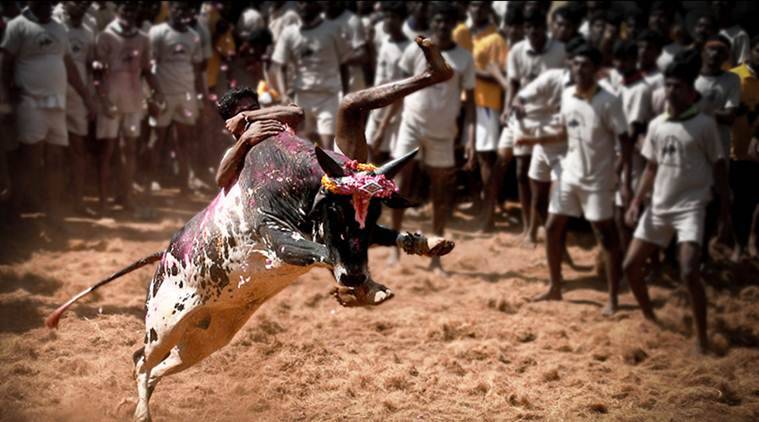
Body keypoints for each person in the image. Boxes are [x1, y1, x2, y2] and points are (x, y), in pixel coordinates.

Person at [623, 49, 732, 354]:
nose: (670, 91)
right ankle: (650, 317)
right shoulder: (657, 124)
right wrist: (635, 202)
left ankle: (701, 338)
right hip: (658, 205)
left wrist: (725, 213)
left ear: (690, 90)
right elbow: (651, 168)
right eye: (667, 85)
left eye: (677, 86)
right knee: (630, 267)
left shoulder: (704, 124)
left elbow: (720, 169)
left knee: (687, 271)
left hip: (691, 208)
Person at [520, 44, 629, 316]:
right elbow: (563, 133)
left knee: (606, 237)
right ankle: (555, 286)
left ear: (597, 70)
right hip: (570, 174)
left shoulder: (610, 101)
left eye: (586, 65)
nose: (579, 70)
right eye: (576, 64)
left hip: (599, 180)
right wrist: (534, 140)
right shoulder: (568, 95)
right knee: (553, 227)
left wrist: (619, 175)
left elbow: (625, 142)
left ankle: (613, 298)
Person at [388, 2, 475, 275]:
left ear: (453, 25)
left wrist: (471, 137)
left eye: (446, 22)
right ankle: (395, 249)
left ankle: (436, 256)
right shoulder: (417, 51)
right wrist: (383, 124)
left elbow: (470, 104)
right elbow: (398, 89)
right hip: (411, 125)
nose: (441, 26)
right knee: (399, 187)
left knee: (440, 194)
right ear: (431, 22)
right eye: (436, 21)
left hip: (443, 132)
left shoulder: (464, 58)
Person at [1, 1, 94, 224]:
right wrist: (8, 89)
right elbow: (6, 61)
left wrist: (85, 96)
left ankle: (53, 212)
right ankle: (18, 212)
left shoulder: (58, 28)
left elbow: (69, 65)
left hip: (57, 104)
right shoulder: (18, 25)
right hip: (30, 102)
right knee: (31, 159)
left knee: (55, 159)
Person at [500, 7, 565, 240]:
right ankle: (528, 226)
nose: (533, 32)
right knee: (520, 171)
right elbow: (513, 84)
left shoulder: (560, 51)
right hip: (523, 115)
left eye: (537, 27)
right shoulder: (517, 50)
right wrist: (507, 108)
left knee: (541, 177)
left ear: (544, 28)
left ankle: (545, 225)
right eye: (528, 28)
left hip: (549, 118)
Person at [95, 1, 161, 213]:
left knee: (130, 149)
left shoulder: (143, 38)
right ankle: (104, 201)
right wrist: (103, 99)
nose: (128, 15)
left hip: (133, 99)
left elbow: (147, 70)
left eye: (132, 11)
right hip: (111, 98)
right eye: (125, 10)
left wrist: (158, 92)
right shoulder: (106, 36)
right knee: (107, 149)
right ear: (117, 12)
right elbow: (97, 73)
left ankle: (126, 197)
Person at [453, 1, 507, 232]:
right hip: (460, 101)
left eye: (481, 5)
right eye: (472, 5)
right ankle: (477, 204)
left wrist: (471, 71)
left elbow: (503, 77)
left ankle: (489, 214)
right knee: (464, 158)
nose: (476, 9)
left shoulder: (496, 39)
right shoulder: (460, 32)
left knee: (485, 158)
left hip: (486, 103)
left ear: (488, 9)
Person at [270, 1, 349, 150]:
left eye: (307, 3)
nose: (303, 7)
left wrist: (345, 93)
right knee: (307, 145)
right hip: (302, 97)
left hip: (329, 96)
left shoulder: (333, 29)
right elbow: (280, 66)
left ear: (318, 6)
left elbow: (344, 64)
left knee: (327, 148)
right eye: (300, 3)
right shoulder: (289, 33)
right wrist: (283, 94)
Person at [149, 1, 204, 193]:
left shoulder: (194, 36)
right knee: (159, 137)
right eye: (178, 8)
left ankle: (183, 182)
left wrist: (201, 94)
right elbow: (150, 66)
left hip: (186, 93)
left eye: (186, 9)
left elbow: (197, 68)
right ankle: (154, 178)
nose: (182, 13)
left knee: (185, 139)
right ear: (170, 9)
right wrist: (153, 95)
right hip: (164, 92)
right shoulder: (158, 32)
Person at [609, 39, 654, 252]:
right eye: (617, 59)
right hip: (618, 153)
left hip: (632, 157)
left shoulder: (641, 89)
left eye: (625, 59)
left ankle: (641, 261)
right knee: (619, 211)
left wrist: (619, 166)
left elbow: (634, 130)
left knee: (631, 209)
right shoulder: (621, 83)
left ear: (634, 60)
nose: (620, 64)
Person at [59, 1, 95, 215]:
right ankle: (54, 202)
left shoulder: (89, 32)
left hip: (78, 98)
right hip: (54, 93)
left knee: (77, 149)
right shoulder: (58, 27)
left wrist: (90, 98)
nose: (80, 6)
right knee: (53, 152)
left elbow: (91, 67)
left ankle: (78, 202)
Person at [365, 1, 410, 164]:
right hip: (378, 107)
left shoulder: (409, 49)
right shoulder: (385, 42)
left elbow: (403, 91)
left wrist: (383, 126)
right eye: (387, 16)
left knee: (392, 159)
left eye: (394, 17)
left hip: (396, 113)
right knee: (370, 152)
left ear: (402, 20)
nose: (389, 20)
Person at [729, 35, 759, 260]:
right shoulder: (734, 77)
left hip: (754, 153)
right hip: (732, 150)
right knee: (736, 202)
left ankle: (750, 242)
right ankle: (735, 245)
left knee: (750, 202)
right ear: (751, 52)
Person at [322, 1, 368, 93]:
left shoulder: (352, 21)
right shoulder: (319, 19)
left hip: (352, 82)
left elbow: (363, 54)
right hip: (326, 83)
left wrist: (339, 59)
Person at [713, 0, 749, 67]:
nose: (718, 10)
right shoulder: (710, 30)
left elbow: (742, 65)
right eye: (715, 6)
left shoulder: (740, 35)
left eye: (722, 7)